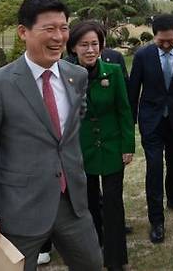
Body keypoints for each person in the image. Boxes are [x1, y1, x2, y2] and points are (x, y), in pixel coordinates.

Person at [0, 0, 102, 271]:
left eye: (63, 28)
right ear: (23, 32)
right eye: (49, 29)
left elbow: (70, 128)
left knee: (92, 264)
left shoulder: (77, 76)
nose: (59, 37)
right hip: (19, 207)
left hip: (71, 202)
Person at [67, 20, 134, 271]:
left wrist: (128, 145)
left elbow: (124, 111)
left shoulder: (114, 71)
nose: (90, 49)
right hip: (81, 149)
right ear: (73, 48)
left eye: (95, 44)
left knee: (114, 203)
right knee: (89, 203)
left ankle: (116, 259)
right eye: (83, 45)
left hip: (112, 146)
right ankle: (94, 253)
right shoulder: (66, 75)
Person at [129, 14, 173, 244]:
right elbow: (133, 90)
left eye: (170, 41)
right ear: (154, 35)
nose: (166, 45)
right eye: (161, 41)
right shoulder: (143, 55)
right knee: (154, 167)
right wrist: (132, 121)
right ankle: (156, 220)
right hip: (151, 121)